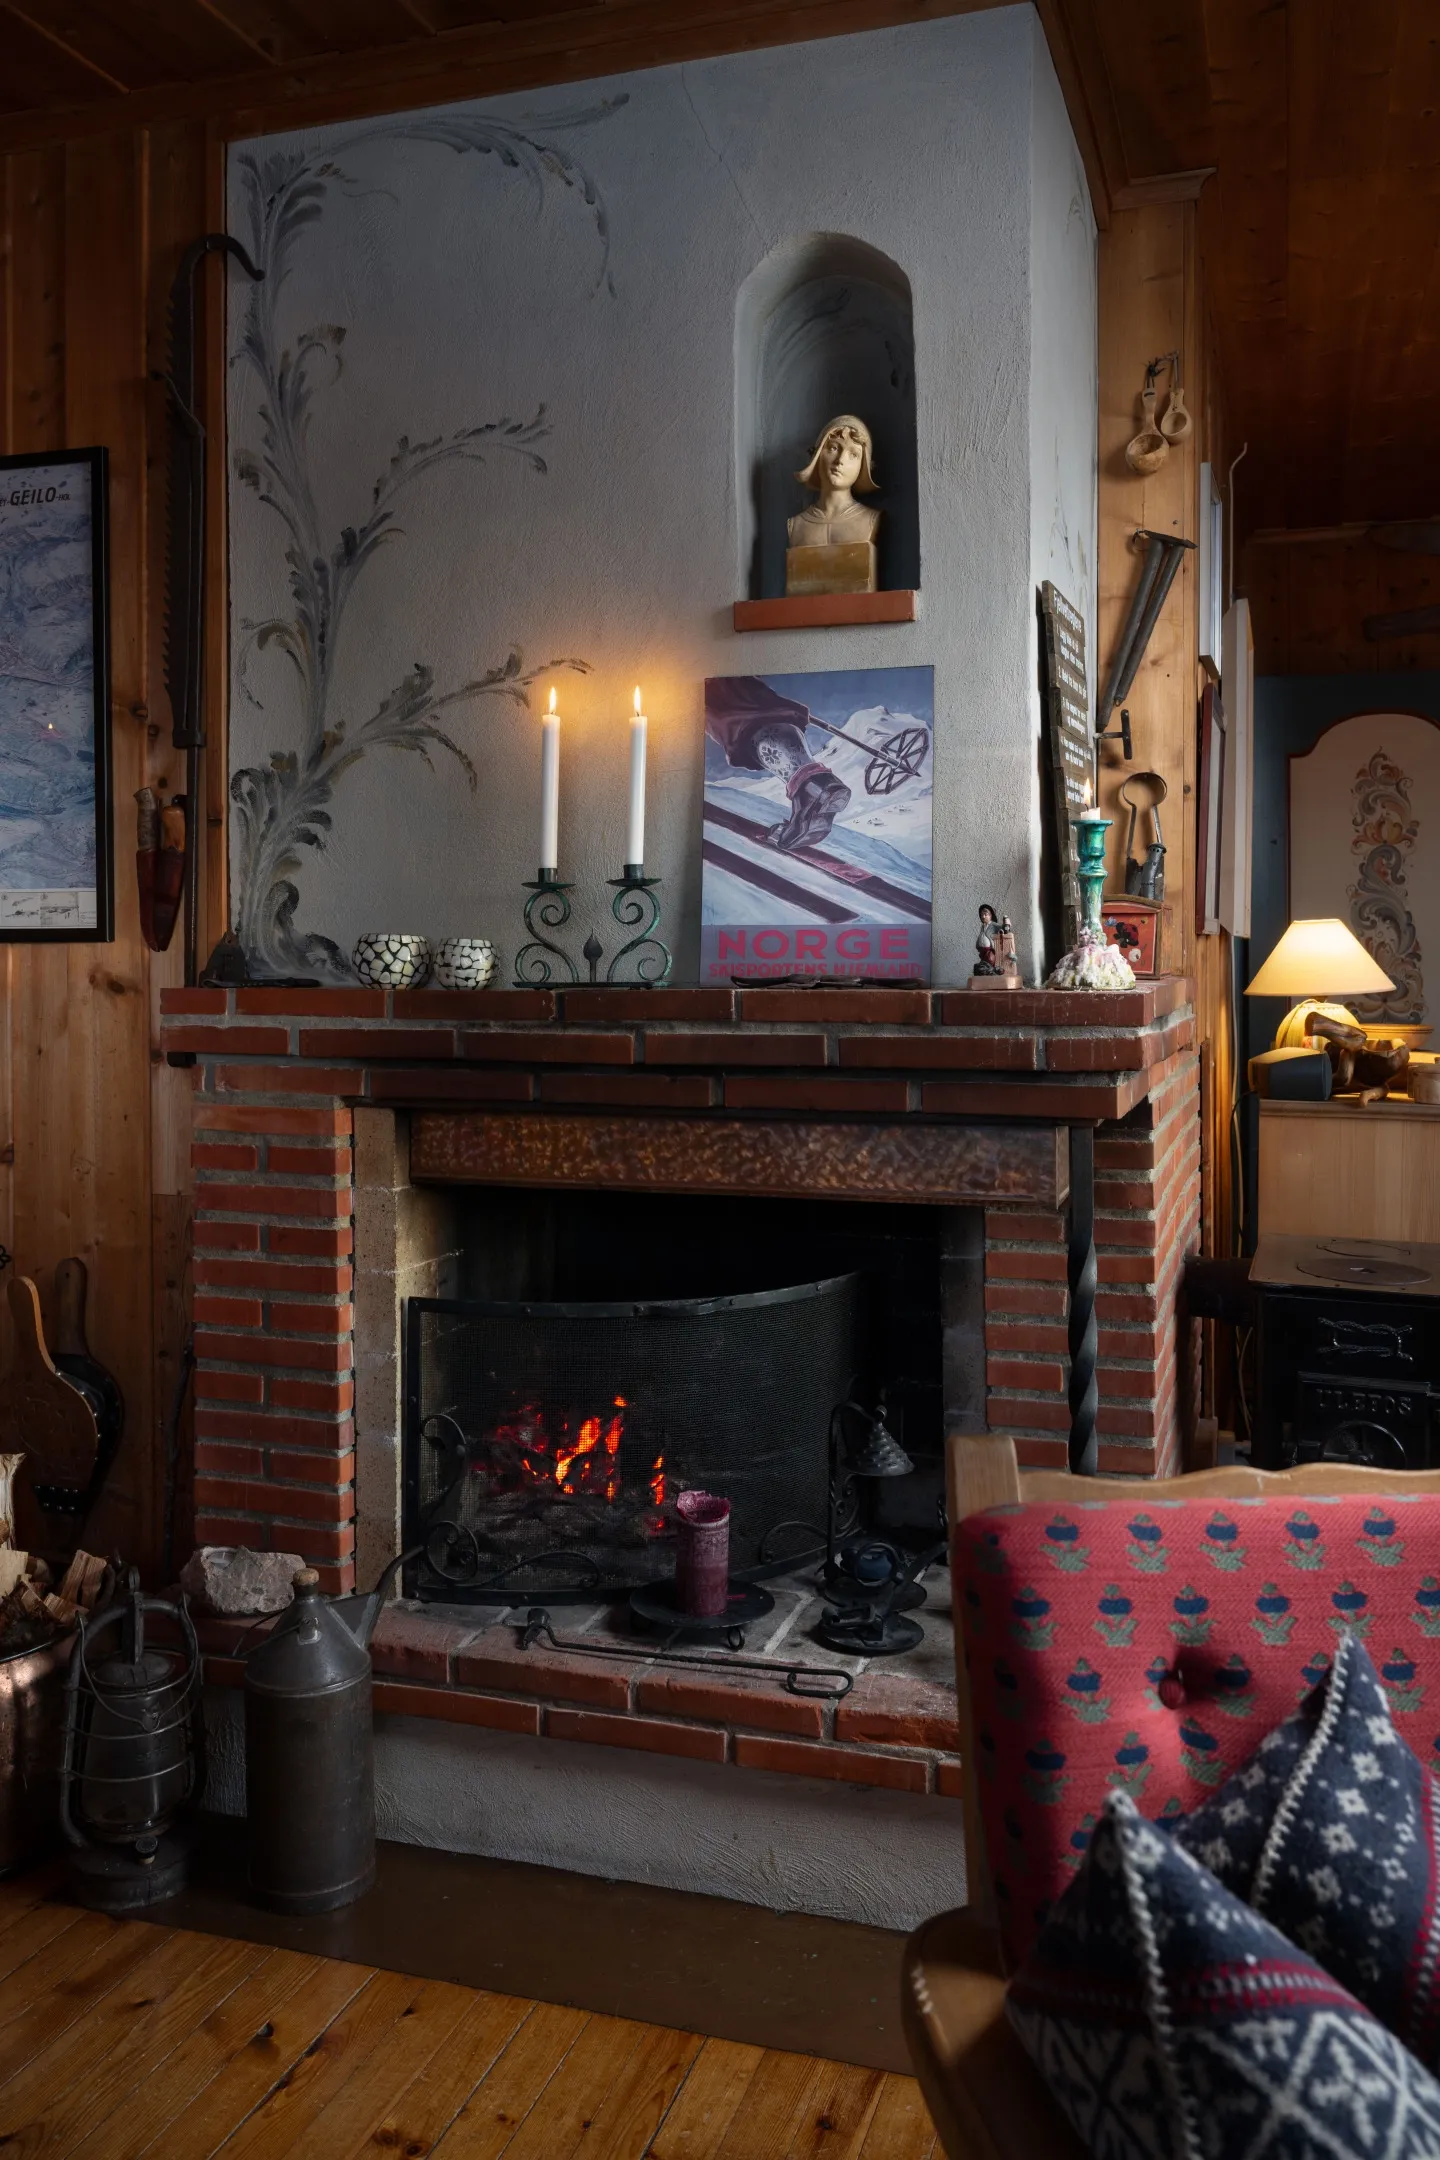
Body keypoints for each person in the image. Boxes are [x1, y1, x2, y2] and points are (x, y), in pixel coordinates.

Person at [787, 415, 882, 550]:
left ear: (863, 466)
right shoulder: (796, 524)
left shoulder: (870, 520)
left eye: (853, 454)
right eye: (833, 448)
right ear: (818, 454)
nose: (840, 460)